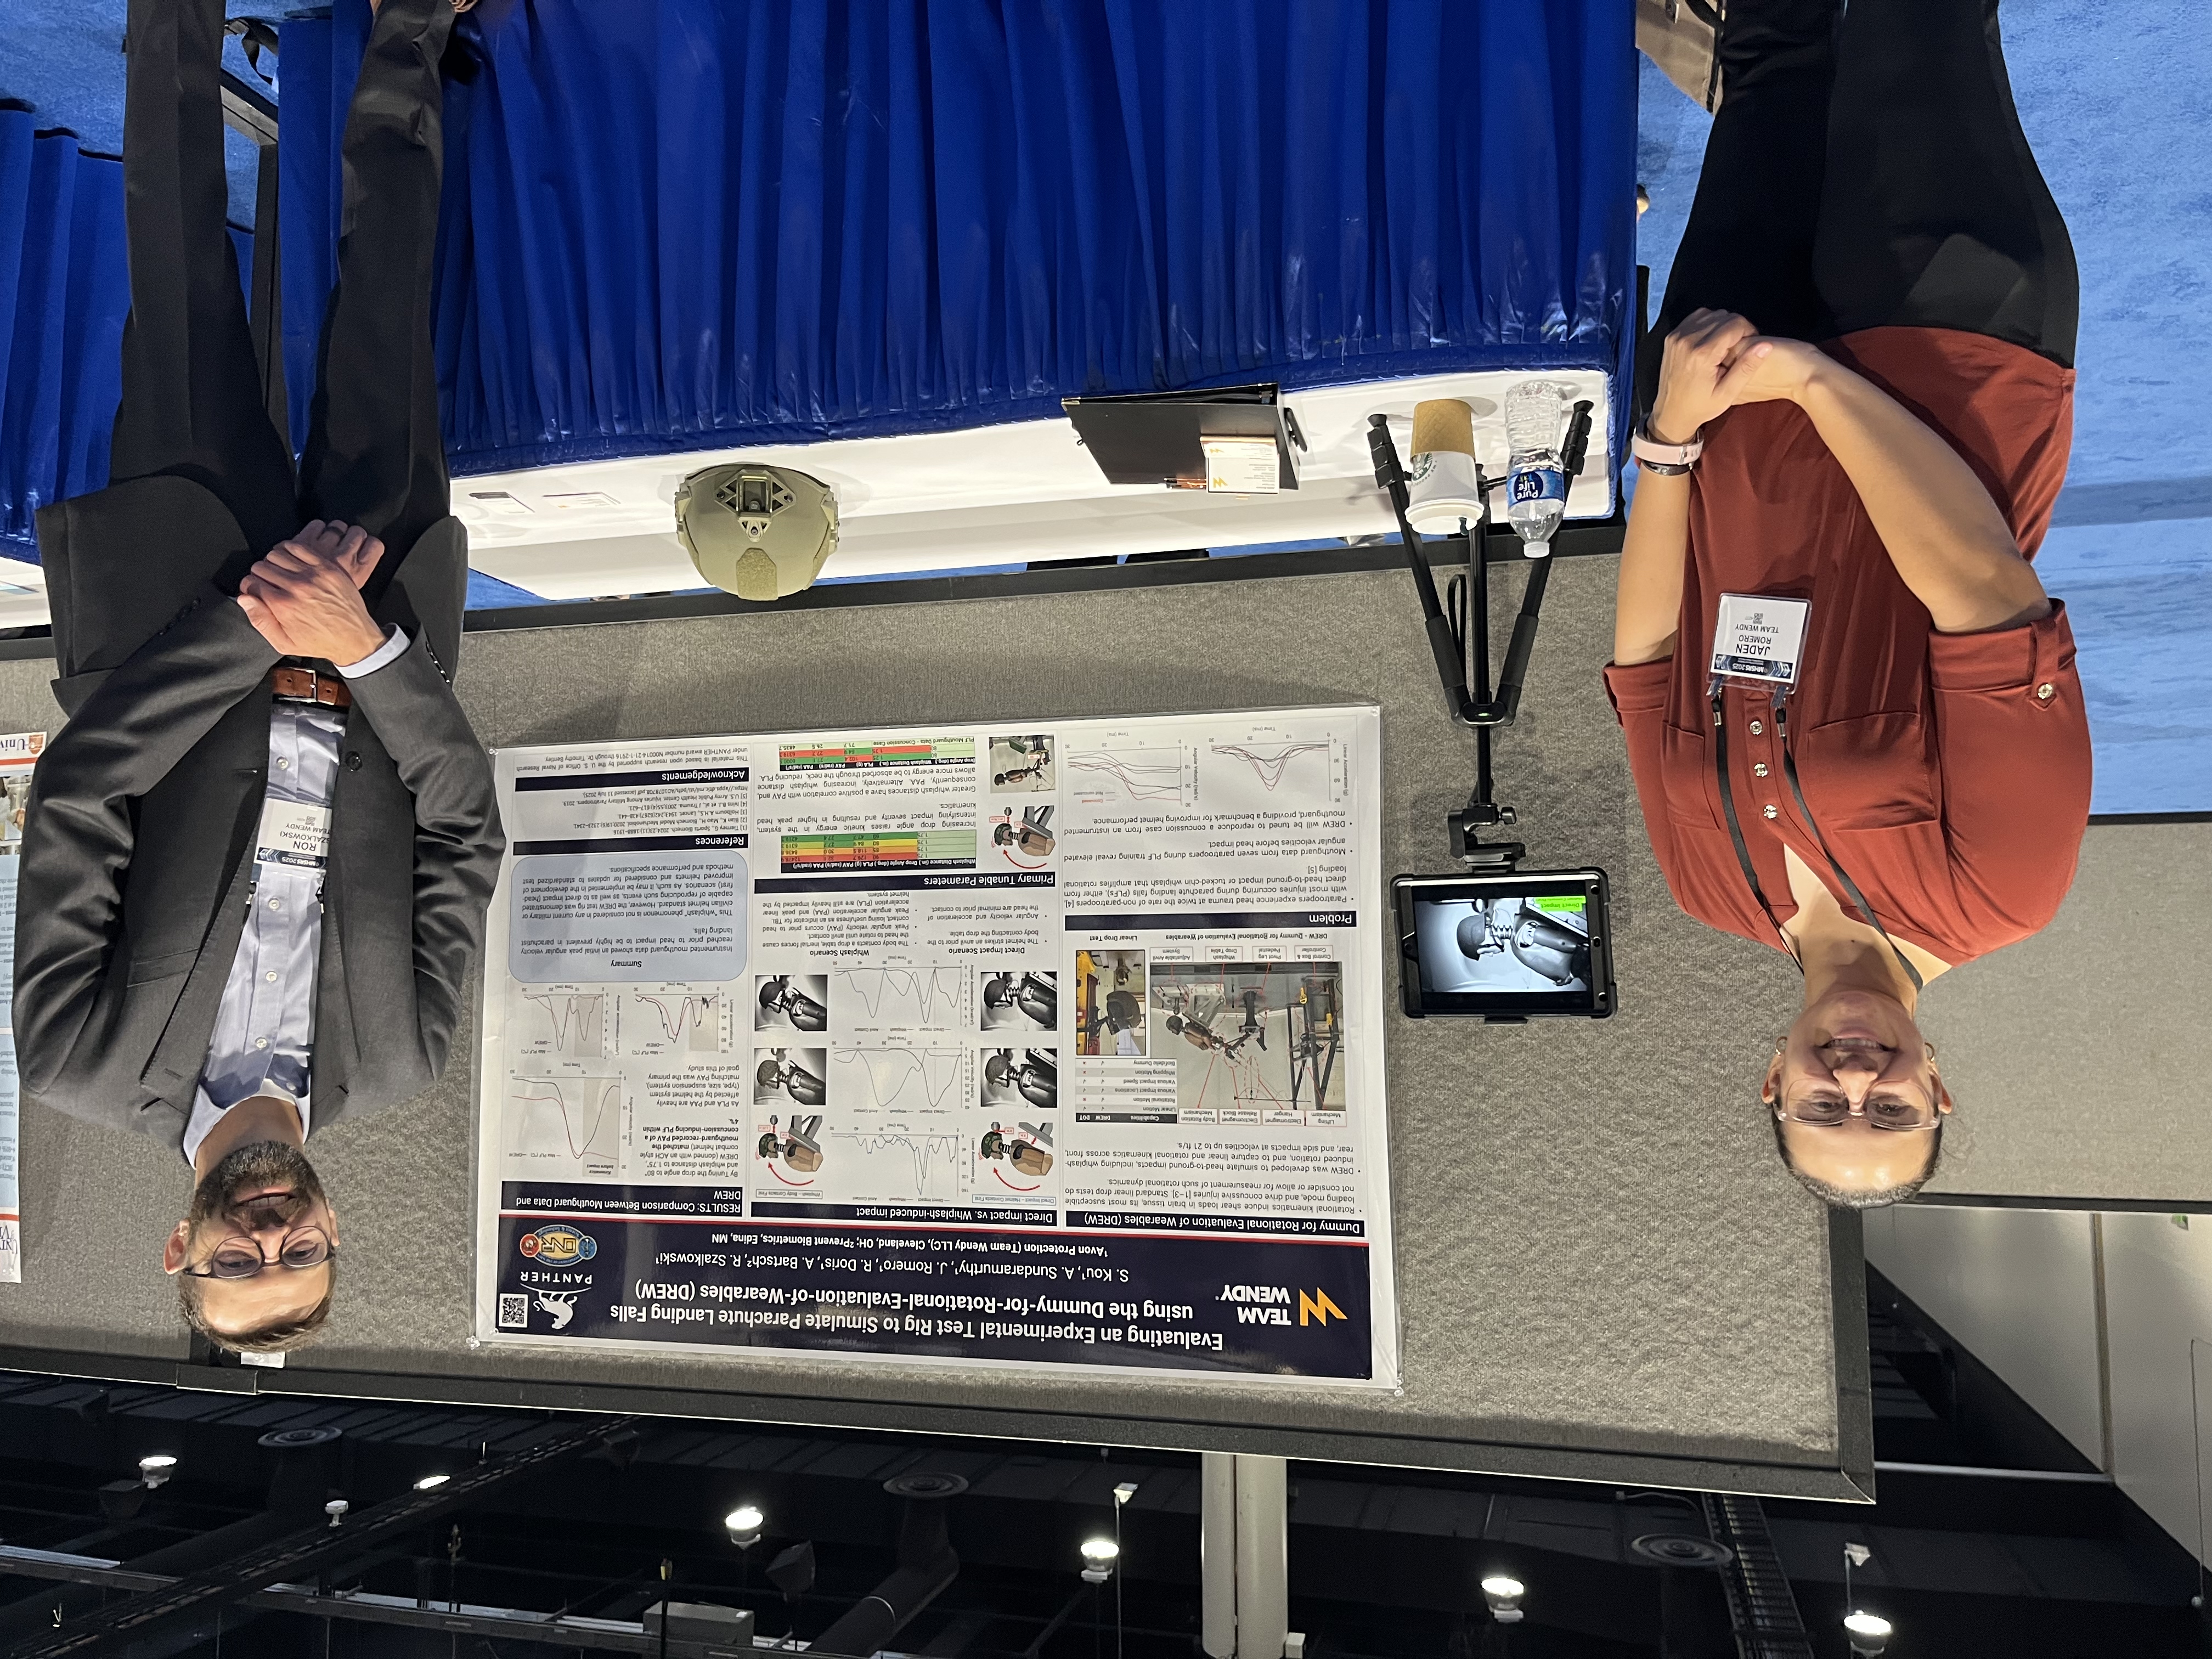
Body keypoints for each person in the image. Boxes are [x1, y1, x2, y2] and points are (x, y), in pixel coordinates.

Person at [13, 0, 501, 1350]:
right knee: (388, 308)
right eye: (298, 1257)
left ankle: (173, 19)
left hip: (187, 600)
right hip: (371, 607)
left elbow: (81, 797)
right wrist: (368, 651)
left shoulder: (77, 1067)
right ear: (336, 1232)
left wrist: (254, 625)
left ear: (180, 1249)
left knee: (178, 265)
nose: (270, 1234)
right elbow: (464, 824)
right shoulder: (403, 1058)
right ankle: (408, 29)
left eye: (238, 1267)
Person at [1608, 0, 2089, 1207]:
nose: (1856, 1080)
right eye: (1893, 1109)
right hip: (1948, 356)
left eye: (1828, 1109)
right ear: (1941, 1087)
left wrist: (1667, 444)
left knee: (1773, 47)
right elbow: (1982, 591)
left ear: (1773, 1079)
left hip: (1724, 397)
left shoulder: (1710, 889)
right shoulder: (2000, 891)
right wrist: (1816, 382)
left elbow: (1648, 662)